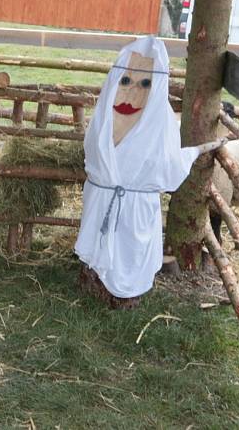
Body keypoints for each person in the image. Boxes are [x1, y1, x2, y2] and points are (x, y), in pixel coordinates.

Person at [75, 36, 226, 308]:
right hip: (101, 204)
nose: (132, 93)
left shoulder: (160, 124)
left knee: (130, 254)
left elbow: (168, 167)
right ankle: (97, 282)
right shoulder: (103, 119)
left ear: (156, 88)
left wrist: (196, 151)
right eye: (125, 82)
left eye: (145, 84)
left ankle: (126, 294)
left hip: (136, 210)